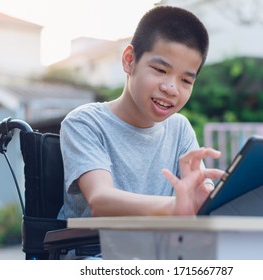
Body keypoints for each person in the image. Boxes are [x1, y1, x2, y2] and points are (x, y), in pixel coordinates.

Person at [57, 5, 223, 221]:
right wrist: (177, 207)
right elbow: (100, 201)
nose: (171, 88)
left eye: (186, 80)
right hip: (95, 251)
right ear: (129, 60)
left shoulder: (179, 129)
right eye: (160, 70)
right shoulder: (85, 123)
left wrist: (203, 200)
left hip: (161, 250)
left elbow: (199, 198)